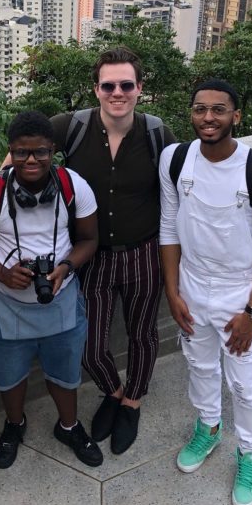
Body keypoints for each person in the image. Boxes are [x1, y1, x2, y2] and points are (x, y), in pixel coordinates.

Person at [159, 79, 252, 505]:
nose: (208, 118)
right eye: (200, 109)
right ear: (190, 113)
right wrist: (172, 290)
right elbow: (169, 227)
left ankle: (250, 453)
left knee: (246, 384)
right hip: (192, 284)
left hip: (240, 291)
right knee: (198, 364)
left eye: (218, 110)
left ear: (236, 116)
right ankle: (208, 427)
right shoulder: (175, 160)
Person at [0, 111, 102, 469]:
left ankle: (68, 426)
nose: (32, 160)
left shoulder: (74, 186)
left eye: (40, 152)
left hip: (62, 296)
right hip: (5, 302)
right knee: (9, 375)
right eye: (22, 152)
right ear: (11, 151)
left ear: (52, 150)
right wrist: (4, 275)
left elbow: (89, 238)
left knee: (66, 371)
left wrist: (65, 267)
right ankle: (14, 424)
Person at [51, 47, 176, 455]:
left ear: (140, 89)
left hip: (144, 252)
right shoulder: (72, 127)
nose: (117, 92)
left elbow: (187, 188)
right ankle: (113, 390)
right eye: (109, 85)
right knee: (90, 343)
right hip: (91, 255)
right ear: (96, 89)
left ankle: (132, 402)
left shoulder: (157, 133)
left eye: (126, 85)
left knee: (142, 333)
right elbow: (24, 149)